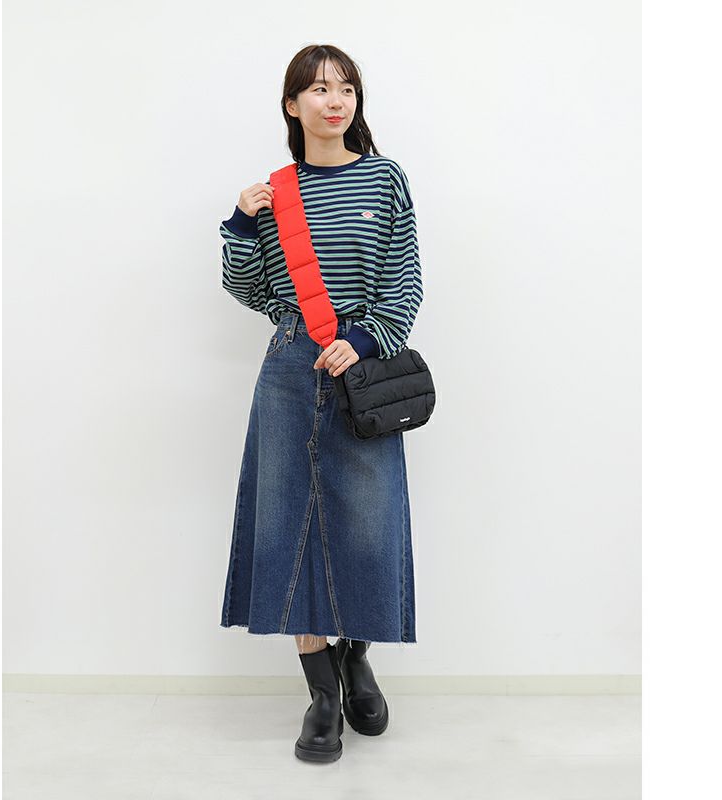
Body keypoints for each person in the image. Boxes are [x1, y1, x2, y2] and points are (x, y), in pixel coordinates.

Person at [217, 44, 424, 763]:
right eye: (318, 89)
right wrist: (241, 226)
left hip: (362, 374)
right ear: (292, 105)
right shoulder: (276, 191)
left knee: (367, 528)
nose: (335, 101)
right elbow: (250, 289)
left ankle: (356, 657)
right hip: (289, 372)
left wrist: (362, 341)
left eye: (346, 89)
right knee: (290, 529)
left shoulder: (385, 178)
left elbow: (404, 279)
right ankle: (322, 692)